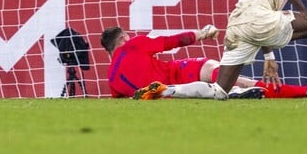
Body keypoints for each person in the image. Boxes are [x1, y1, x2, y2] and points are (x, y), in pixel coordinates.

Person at [101, 25, 265, 100]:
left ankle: (236, 89)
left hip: (161, 96)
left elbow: (119, 99)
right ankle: (244, 86)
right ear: (123, 37)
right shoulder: (132, 45)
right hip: (178, 73)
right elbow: (173, 41)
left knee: (194, 89)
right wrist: (202, 33)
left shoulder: (111, 79)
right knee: (213, 69)